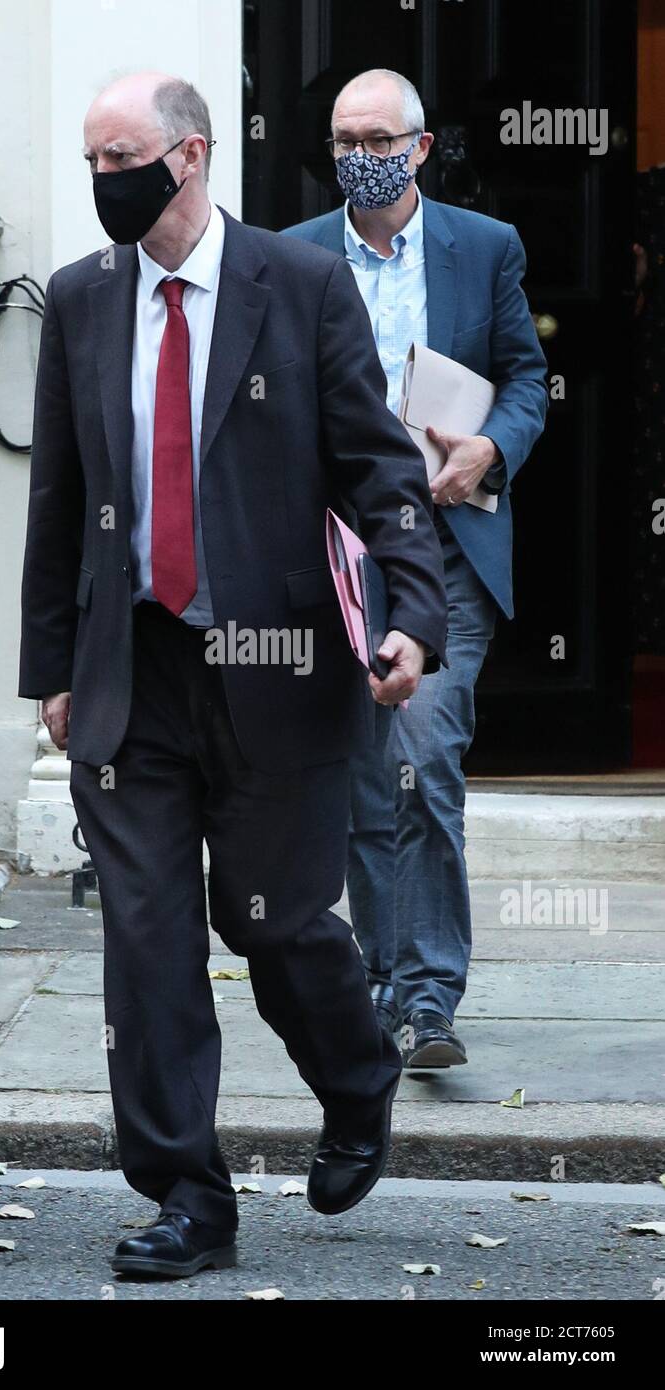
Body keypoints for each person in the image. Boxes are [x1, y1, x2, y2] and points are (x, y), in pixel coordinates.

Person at [18, 70, 447, 1281]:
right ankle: (186, 1196)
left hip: (278, 668)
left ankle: (356, 1073)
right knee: (145, 940)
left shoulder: (296, 286)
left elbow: (376, 470)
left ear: (189, 155)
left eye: (121, 160)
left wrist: (410, 617)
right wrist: (50, 665)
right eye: (92, 162)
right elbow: (59, 493)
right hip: (135, 670)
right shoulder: (82, 299)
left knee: (272, 924)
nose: (105, 182)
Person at [283, 69, 548, 1068]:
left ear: (421, 147)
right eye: (344, 137)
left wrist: (490, 449)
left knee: (423, 760)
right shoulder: (294, 255)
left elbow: (523, 378)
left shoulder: (482, 249)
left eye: (377, 136)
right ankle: (375, 982)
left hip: (443, 546)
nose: (360, 153)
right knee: (361, 773)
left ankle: (427, 997)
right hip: (339, 552)